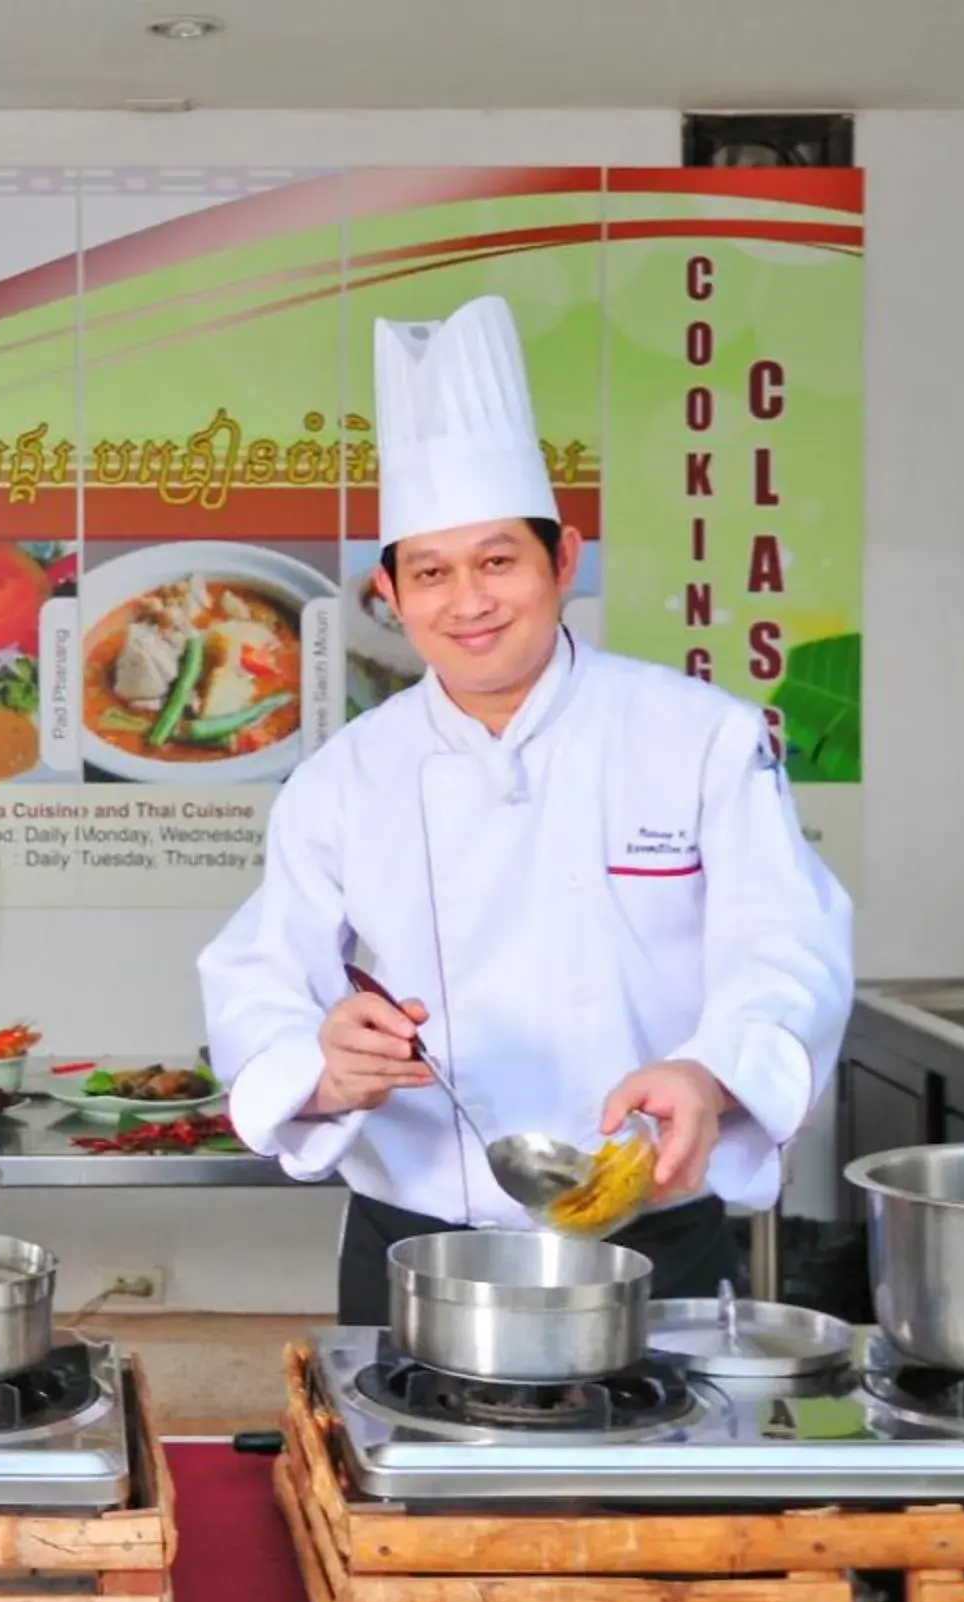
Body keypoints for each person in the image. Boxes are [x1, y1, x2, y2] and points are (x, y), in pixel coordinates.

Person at [197, 296, 854, 1325]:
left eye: (499, 560)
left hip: (650, 1246)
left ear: (564, 558)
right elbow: (257, 977)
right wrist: (323, 1065)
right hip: (412, 1248)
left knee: (650, 1486)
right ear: (391, 591)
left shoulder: (699, 737)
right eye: (433, 572)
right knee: (398, 1484)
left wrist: (710, 1072)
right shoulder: (347, 775)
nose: (469, 602)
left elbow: (790, 945)